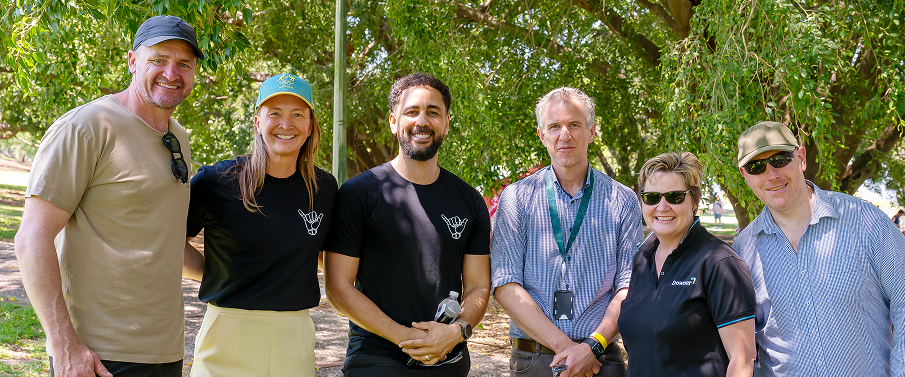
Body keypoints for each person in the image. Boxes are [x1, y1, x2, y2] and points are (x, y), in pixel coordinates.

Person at [13, 15, 203, 377]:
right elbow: (31, 238)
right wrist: (64, 346)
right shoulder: (86, 127)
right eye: (159, 59)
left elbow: (161, 238)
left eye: (184, 64)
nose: (171, 73)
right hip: (98, 356)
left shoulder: (178, 136)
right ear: (132, 61)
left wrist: (234, 274)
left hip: (165, 350)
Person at [323, 72, 491, 376]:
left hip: (448, 358)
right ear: (393, 121)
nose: (422, 121)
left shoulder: (470, 201)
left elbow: (478, 285)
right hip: (376, 360)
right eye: (412, 111)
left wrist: (457, 331)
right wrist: (408, 338)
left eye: (433, 112)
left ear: (446, 123)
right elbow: (338, 287)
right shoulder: (358, 193)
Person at [182, 73, 337, 376]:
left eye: (297, 114)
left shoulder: (325, 188)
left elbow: (324, 256)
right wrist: (216, 272)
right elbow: (171, 242)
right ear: (257, 122)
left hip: (293, 338)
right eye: (274, 113)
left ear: (310, 126)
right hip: (225, 335)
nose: (285, 124)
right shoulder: (216, 181)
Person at [732, 121, 905, 376]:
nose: (771, 174)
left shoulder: (866, 222)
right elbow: (745, 345)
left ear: (801, 158)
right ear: (745, 176)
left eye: (780, 159)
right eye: (756, 166)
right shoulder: (742, 251)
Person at [491, 87, 642, 377]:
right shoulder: (516, 198)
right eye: (554, 126)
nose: (565, 135)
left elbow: (628, 287)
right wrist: (569, 350)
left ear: (591, 131)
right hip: (534, 359)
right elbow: (506, 285)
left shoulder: (622, 200)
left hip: (600, 358)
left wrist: (591, 348)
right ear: (541, 135)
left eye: (574, 124)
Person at [618, 152, 756, 377]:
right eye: (652, 197)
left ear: (695, 201)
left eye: (675, 196)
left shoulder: (719, 263)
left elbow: (742, 359)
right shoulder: (641, 259)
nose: (662, 206)